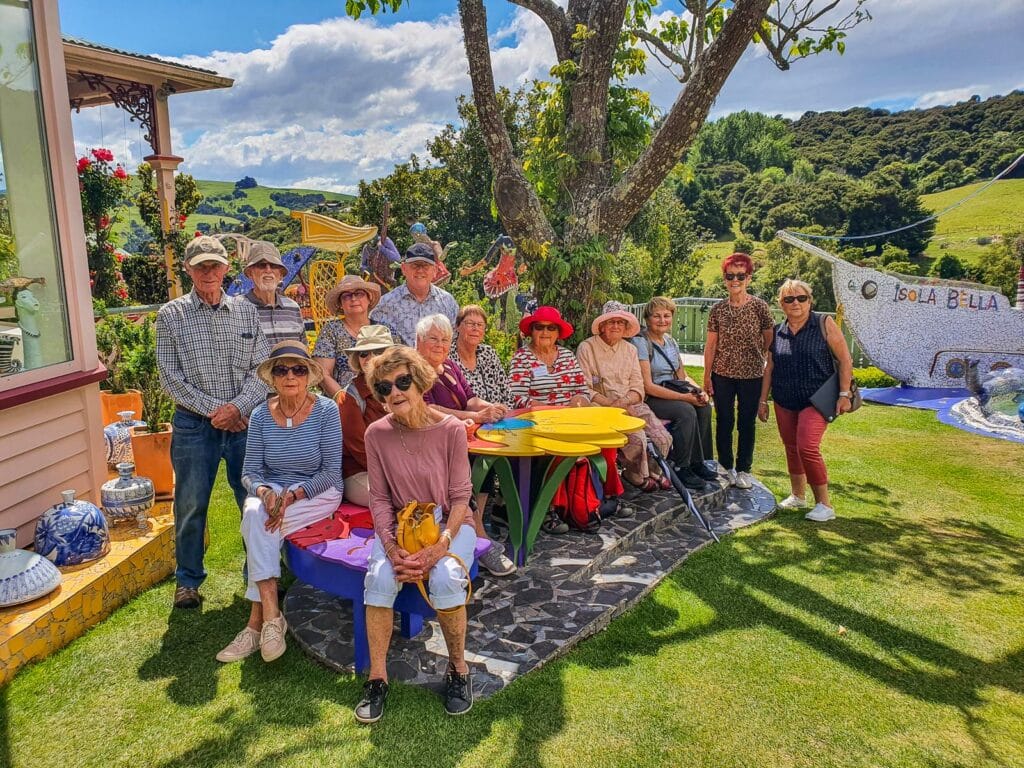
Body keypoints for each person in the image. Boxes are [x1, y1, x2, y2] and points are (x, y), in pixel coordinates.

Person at [356, 346, 477, 722]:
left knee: (446, 578)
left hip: (448, 522)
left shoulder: (451, 429)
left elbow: (461, 498)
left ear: (420, 381)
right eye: (384, 387)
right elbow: (378, 499)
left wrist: (441, 545)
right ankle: (378, 677)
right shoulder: (376, 434)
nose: (394, 392)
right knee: (379, 578)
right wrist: (391, 548)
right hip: (399, 523)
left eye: (402, 381)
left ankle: (458, 669)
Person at [155, 236, 270, 609]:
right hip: (193, 426)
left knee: (252, 501)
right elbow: (170, 379)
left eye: (214, 265)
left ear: (226, 269)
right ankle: (187, 580)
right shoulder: (171, 315)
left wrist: (237, 408)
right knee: (190, 504)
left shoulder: (246, 312)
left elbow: (262, 369)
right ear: (188, 269)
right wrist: (218, 411)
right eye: (201, 266)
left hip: (242, 425)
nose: (208, 272)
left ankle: (258, 574)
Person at [216, 342, 343, 663]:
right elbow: (250, 472)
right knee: (254, 512)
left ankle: (256, 624)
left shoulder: (327, 411)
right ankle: (272, 618)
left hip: (317, 492)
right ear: (272, 377)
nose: (290, 375)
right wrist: (265, 493)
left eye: (298, 369)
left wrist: (293, 496)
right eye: (282, 369)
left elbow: (331, 472)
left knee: (258, 525)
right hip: (273, 489)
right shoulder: (260, 414)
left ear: (309, 375)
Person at [416, 314, 515, 577]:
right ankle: (481, 544)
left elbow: (469, 398)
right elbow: (428, 408)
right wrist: (473, 418)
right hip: (432, 441)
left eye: (445, 339)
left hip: (463, 436)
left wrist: (487, 408)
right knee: (470, 469)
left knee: (487, 462)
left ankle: (477, 527)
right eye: (433, 339)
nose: (440, 344)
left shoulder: (448, 366)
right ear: (419, 341)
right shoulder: (414, 369)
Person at [759, 280, 853, 522]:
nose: (796, 303)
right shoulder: (779, 331)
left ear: (810, 301)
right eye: (789, 299)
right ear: (781, 304)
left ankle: (824, 504)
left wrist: (844, 394)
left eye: (801, 298)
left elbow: (844, 359)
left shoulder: (824, 323)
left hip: (817, 398)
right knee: (791, 447)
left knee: (807, 447)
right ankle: (798, 495)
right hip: (784, 397)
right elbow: (770, 368)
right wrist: (763, 400)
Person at [577, 301, 672, 492]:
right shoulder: (587, 348)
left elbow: (638, 386)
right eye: (611, 322)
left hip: (629, 403)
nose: (616, 326)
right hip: (601, 407)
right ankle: (635, 475)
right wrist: (612, 405)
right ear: (602, 326)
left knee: (663, 438)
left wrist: (624, 402)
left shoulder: (630, 350)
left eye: (620, 323)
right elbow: (585, 388)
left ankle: (653, 471)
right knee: (637, 438)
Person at [703, 253, 774, 489]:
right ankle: (725, 466)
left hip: (752, 375)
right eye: (730, 275)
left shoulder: (760, 307)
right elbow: (711, 345)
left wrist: (761, 363)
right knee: (724, 420)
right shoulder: (718, 310)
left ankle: (744, 468)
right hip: (722, 373)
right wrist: (706, 376)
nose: (735, 280)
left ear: (749, 278)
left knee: (746, 422)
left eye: (740, 275)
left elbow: (769, 343)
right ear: (724, 278)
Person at [633, 297, 717, 490]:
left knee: (703, 408)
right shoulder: (641, 342)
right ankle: (682, 466)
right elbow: (648, 386)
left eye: (666, 316)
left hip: (673, 389)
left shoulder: (670, 342)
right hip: (653, 396)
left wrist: (699, 392)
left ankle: (698, 462)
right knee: (685, 410)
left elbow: (682, 376)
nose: (662, 320)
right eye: (657, 316)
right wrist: (684, 398)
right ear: (648, 319)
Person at [339, 325, 396, 506]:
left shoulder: (401, 386)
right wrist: (399, 472)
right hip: (360, 472)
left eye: (377, 351)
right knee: (398, 496)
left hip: (398, 465)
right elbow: (360, 449)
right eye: (364, 353)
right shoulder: (349, 396)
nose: (370, 358)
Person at [314, 274, 393, 400]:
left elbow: (400, 363)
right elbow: (323, 372)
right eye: (346, 296)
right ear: (340, 303)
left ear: (369, 298)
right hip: (342, 399)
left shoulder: (384, 329)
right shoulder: (331, 330)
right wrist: (344, 399)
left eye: (359, 293)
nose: (353, 298)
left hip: (384, 399)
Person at [370, 242, 458, 346]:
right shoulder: (385, 304)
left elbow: (456, 341)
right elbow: (374, 344)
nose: (420, 270)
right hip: (399, 362)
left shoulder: (448, 302)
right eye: (415, 265)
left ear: (435, 270)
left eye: (425, 266)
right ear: (403, 269)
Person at [508, 306, 590, 409]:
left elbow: (583, 391)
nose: (545, 332)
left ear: (558, 332)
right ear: (532, 331)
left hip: (571, 417)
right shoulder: (521, 357)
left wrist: (578, 403)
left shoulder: (568, 355)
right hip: (537, 419)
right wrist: (553, 412)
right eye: (539, 327)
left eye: (551, 328)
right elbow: (516, 398)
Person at [240, 240, 305, 347]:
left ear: (280, 275)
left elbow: (303, 352)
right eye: (261, 265)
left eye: (273, 265)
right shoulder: (237, 308)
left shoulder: (293, 308)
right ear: (250, 273)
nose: (268, 270)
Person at [450, 304, 513, 407]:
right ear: (457, 327)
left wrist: (507, 416)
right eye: (470, 323)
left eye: (480, 325)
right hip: (467, 420)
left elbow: (507, 393)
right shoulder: (448, 358)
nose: (475, 328)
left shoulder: (489, 353)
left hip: (500, 419)